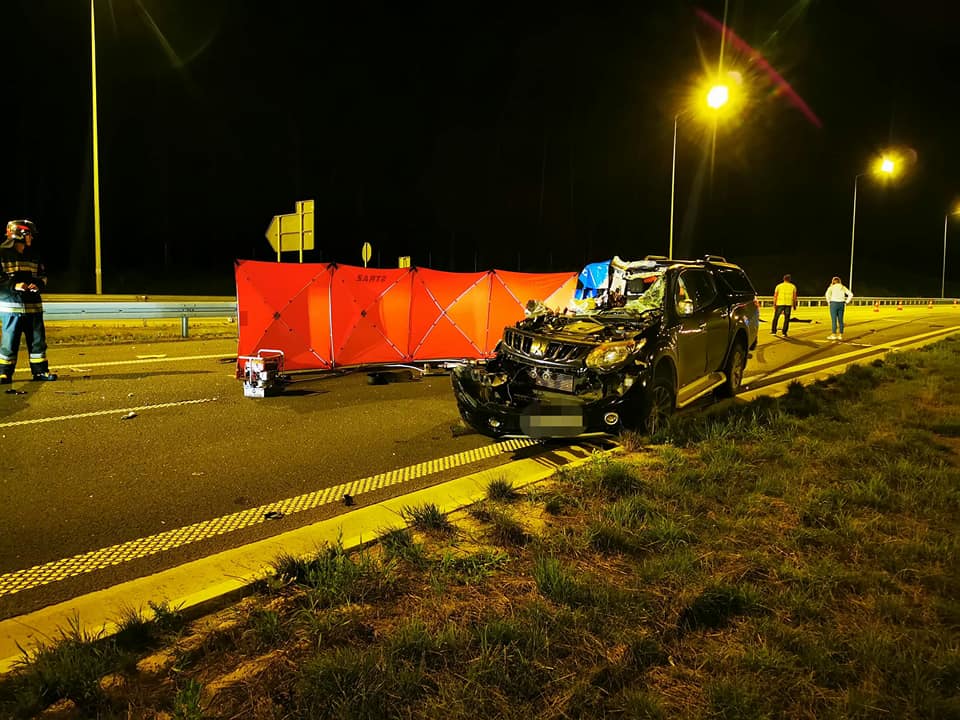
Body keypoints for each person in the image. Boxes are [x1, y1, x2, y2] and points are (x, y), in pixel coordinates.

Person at [0, 219, 57, 383]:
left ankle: (40, 372)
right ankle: (4, 373)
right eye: (29, 234)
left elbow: (42, 277)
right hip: (11, 308)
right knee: (9, 343)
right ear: (20, 234)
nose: (31, 238)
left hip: (33, 307)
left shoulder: (34, 255)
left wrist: (38, 284)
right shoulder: (2, 254)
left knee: (38, 343)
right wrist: (14, 285)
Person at [824, 275, 853, 340]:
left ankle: (834, 334)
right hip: (841, 304)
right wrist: (847, 301)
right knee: (840, 320)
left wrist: (829, 302)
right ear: (839, 281)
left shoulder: (831, 287)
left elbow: (827, 294)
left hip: (833, 304)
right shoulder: (843, 287)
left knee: (834, 320)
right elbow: (851, 294)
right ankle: (840, 335)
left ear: (833, 282)